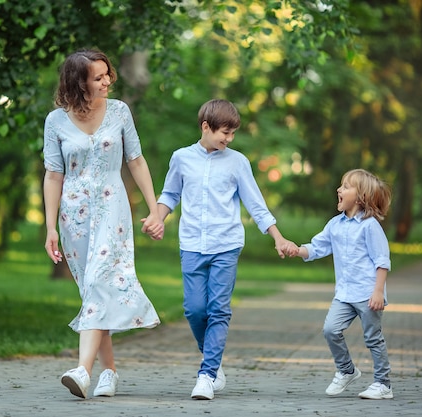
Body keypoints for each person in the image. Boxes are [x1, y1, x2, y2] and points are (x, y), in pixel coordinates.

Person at [145, 99, 298, 400]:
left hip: (226, 244)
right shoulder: (181, 158)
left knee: (218, 309)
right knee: (194, 309)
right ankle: (212, 360)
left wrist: (278, 237)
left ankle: (207, 374)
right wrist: (156, 218)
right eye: (224, 133)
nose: (228, 139)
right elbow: (170, 194)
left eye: (232, 134)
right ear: (205, 127)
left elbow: (256, 204)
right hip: (191, 244)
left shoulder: (237, 162)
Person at [42, 49, 164, 400]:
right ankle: (109, 372)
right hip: (73, 216)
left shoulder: (120, 112)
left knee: (98, 281)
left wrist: (155, 210)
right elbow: (53, 175)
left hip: (113, 208)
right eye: (98, 77)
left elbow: (136, 161)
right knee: (95, 292)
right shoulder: (56, 122)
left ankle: (83, 370)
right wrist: (51, 227)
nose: (107, 80)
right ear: (78, 83)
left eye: (107, 74)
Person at [293, 168, 393, 400]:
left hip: (368, 294)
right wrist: (297, 250)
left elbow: (382, 261)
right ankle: (347, 370)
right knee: (330, 329)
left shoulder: (370, 226)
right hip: (345, 294)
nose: (339, 189)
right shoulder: (335, 225)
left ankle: (383, 384)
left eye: (346, 186)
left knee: (373, 338)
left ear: (361, 197)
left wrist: (378, 291)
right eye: (341, 185)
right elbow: (317, 247)